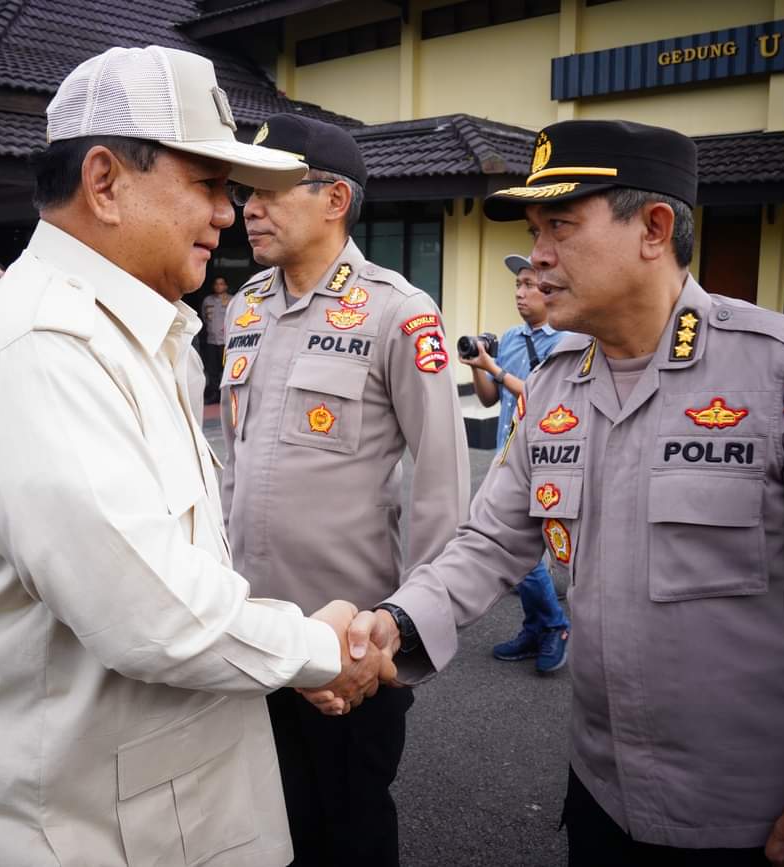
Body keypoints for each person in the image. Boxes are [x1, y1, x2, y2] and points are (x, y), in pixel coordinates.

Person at [340, 120, 784, 867]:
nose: (539, 254)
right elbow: (490, 542)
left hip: (762, 816)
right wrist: (397, 620)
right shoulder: (556, 383)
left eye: (561, 225)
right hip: (603, 794)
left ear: (653, 229)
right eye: (534, 229)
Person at [0, 45, 390, 867]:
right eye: (211, 184)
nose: (229, 213)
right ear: (105, 181)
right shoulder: (43, 345)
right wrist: (320, 649)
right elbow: (149, 613)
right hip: (43, 824)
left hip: (119, 800)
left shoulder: (136, 329)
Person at [220, 113, 470, 866]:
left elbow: (440, 485)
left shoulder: (398, 311)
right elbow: (233, 461)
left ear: (335, 200)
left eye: (269, 190)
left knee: (350, 825)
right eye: (244, 192)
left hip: (348, 643)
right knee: (266, 822)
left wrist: (406, 631)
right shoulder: (246, 307)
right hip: (251, 631)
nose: (248, 208)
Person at [462, 253, 571, 673]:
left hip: (549, 460)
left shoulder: (567, 340)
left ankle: (555, 625)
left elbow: (542, 398)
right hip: (506, 455)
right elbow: (491, 399)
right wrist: (479, 366)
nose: (521, 293)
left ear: (550, 289)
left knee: (518, 552)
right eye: (518, 286)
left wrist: (493, 367)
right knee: (516, 551)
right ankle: (536, 627)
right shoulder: (509, 338)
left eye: (529, 284)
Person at [201, 274, 231, 402]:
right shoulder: (208, 300)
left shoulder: (232, 300)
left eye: (221, 283)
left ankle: (227, 396)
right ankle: (214, 394)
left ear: (226, 286)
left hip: (226, 342)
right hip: (212, 341)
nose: (218, 286)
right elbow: (204, 316)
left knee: (226, 369)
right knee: (212, 369)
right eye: (216, 284)